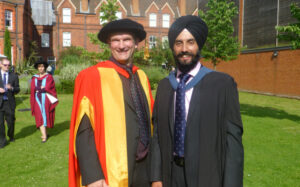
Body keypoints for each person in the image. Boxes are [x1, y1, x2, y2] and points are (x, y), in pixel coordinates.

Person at [150, 15, 244, 187]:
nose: (184, 49)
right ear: (173, 47)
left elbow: (233, 141)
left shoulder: (222, 85)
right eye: (178, 43)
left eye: (190, 42)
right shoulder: (164, 86)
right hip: (170, 175)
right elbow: (157, 135)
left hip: (207, 175)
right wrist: (156, 177)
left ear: (199, 45)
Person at [69, 19, 154, 187]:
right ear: (109, 43)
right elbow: (83, 130)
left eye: (127, 39)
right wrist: (93, 176)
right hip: (111, 170)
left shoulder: (142, 77)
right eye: (116, 40)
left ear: (136, 43)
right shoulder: (92, 77)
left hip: (146, 168)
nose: (121, 46)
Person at [30, 60, 58, 143]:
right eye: (39, 67)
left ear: (45, 67)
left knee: (45, 115)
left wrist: (42, 88)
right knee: (39, 116)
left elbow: (49, 87)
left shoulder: (49, 77)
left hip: (45, 99)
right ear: (37, 68)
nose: (41, 68)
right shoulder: (34, 77)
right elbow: (32, 88)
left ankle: (45, 133)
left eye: (42, 66)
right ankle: (44, 136)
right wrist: (40, 88)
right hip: (37, 99)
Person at [0, 58, 20, 148]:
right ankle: (2, 141)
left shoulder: (14, 76)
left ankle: (11, 135)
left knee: (11, 121)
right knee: (0, 123)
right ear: (0, 65)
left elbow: (18, 89)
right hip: (0, 102)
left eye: (9, 65)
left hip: (9, 102)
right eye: (5, 65)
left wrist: (11, 88)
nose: (7, 67)